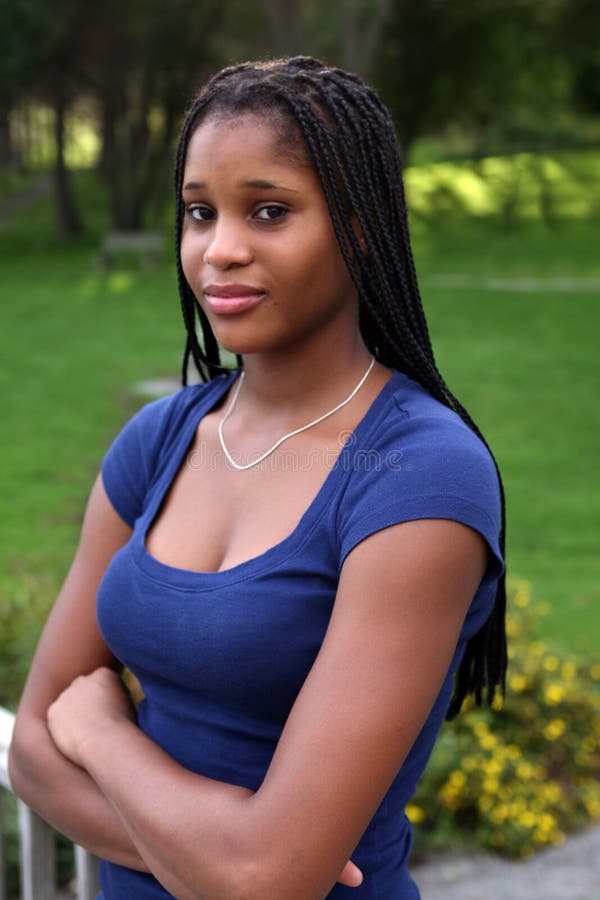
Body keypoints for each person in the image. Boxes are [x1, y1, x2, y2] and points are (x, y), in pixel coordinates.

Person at [8, 57, 506, 899]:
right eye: (200, 213)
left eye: (268, 212)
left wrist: (100, 737)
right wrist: (224, 860)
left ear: (359, 229)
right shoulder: (159, 440)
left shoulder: (419, 474)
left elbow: (265, 879)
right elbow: (28, 752)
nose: (220, 249)